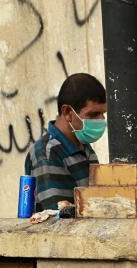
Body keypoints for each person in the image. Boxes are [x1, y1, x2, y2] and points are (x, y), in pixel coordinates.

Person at [24, 73, 107, 212]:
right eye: (93, 115)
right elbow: (60, 217)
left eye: (102, 114)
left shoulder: (84, 147)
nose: (100, 120)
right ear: (68, 112)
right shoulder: (47, 154)